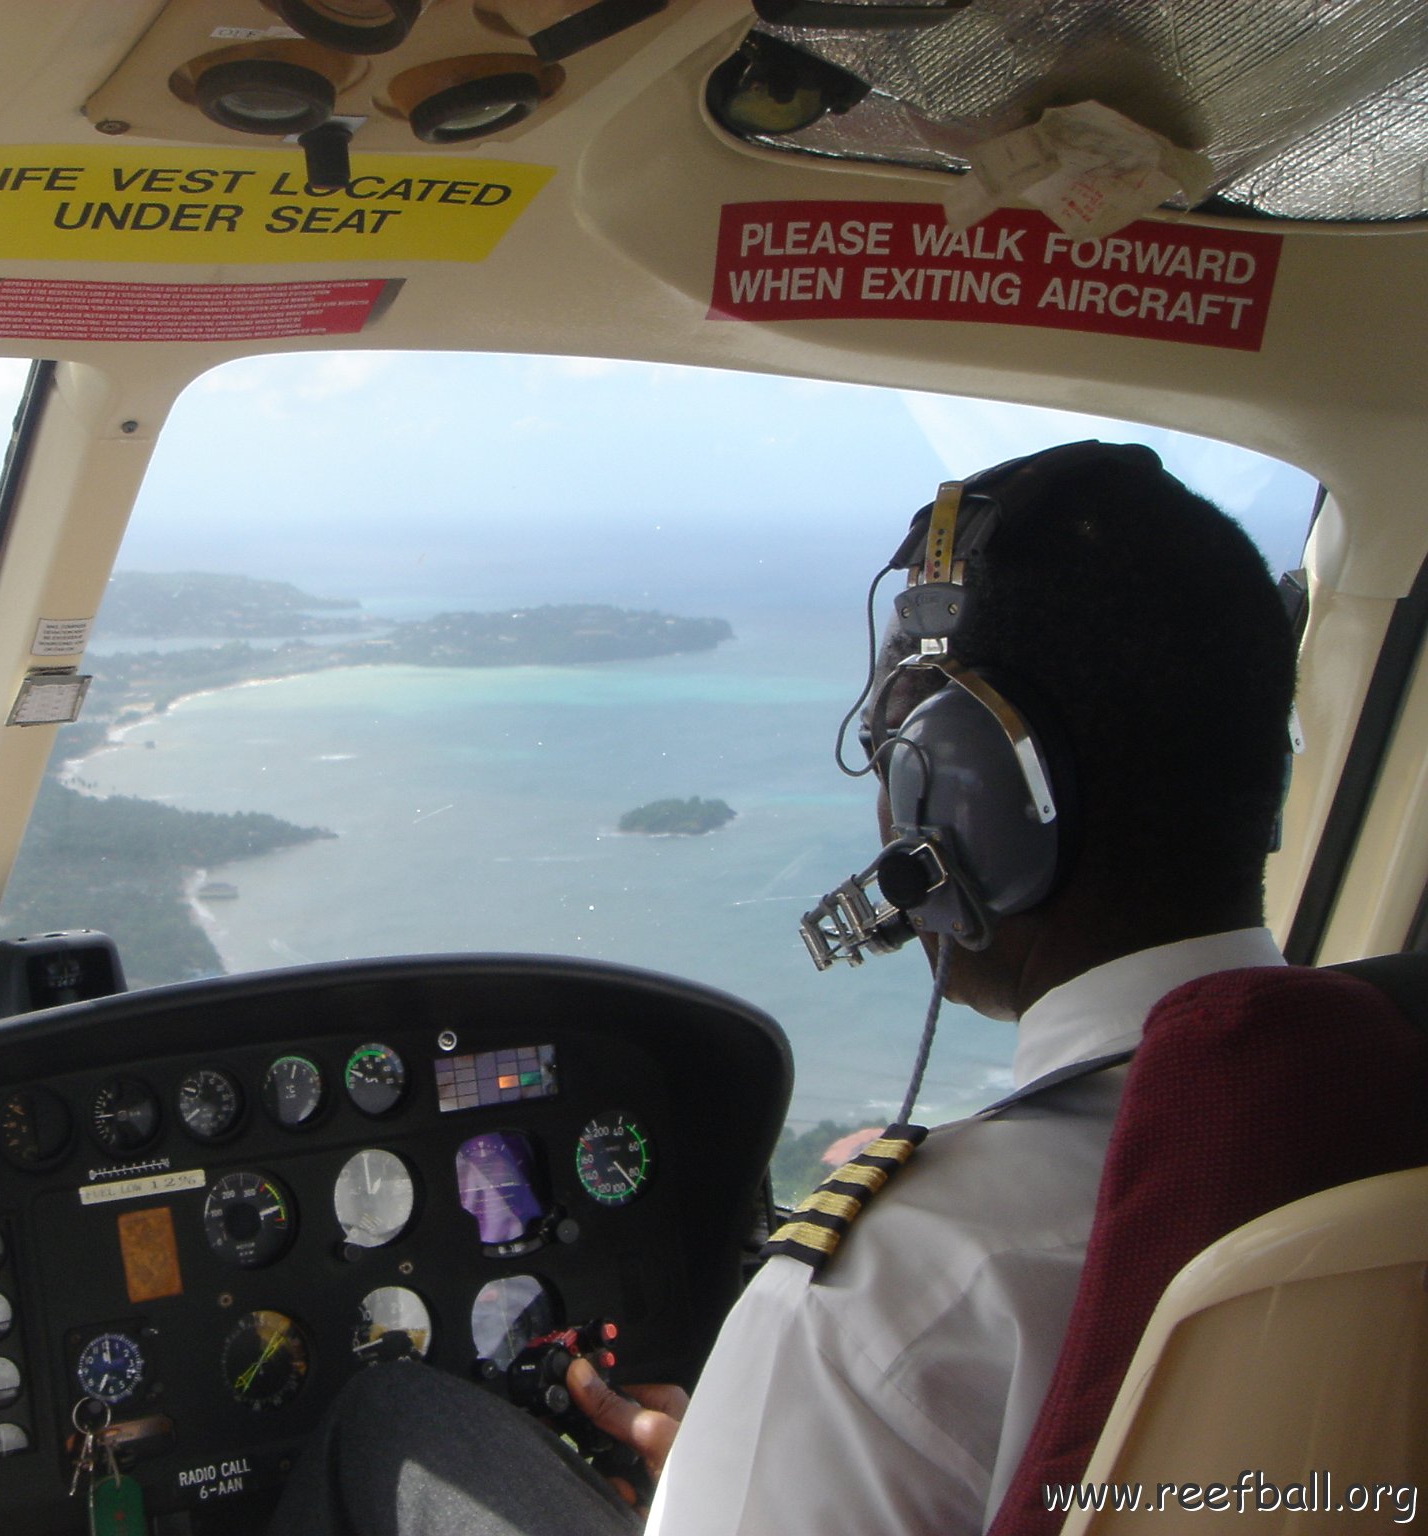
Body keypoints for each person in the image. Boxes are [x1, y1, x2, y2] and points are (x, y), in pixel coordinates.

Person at [268, 441, 1299, 1536]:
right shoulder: (1377, 1091)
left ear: (967, 801)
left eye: (894, 744)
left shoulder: (898, 1294)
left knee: (387, 1422)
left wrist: (712, 1482)